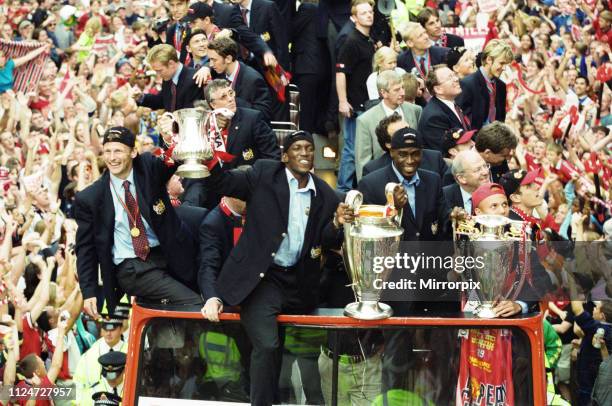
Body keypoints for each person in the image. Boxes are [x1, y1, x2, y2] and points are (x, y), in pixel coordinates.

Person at [202, 130, 341, 405]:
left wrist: (338, 223)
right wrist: (208, 159)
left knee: (303, 352)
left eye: (309, 148)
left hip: (300, 283)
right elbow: (223, 182)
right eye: (297, 148)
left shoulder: (324, 192)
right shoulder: (264, 174)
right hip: (263, 279)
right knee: (267, 345)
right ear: (284, 156)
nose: (304, 153)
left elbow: (326, 240)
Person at [74, 127, 202, 316]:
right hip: (132, 268)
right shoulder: (90, 197)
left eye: (118, 151)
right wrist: (89, 291)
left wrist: (169, 138)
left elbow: (172, 162)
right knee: (194, 305)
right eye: (107, 151)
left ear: (133, 152)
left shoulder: (148, 168)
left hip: (169, 254)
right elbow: (85, 248)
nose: (112, 157)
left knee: (204, 298)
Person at [358, 127, 449, 242]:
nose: (410, 160)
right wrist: (391, 208)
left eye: (415, 154)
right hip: (391, 257)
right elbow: (367, 232)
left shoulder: (433, 180)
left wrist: (454, 218)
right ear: (392, 153)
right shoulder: (370, 184)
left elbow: (443, 220)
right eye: (403, 155)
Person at [335, 0, 375, 192]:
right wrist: (343, 101)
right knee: (351, 149)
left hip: (367, 103)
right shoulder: (350, 40)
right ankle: (342, 190)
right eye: (363, 13)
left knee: (362, 149)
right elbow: (341, 72)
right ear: (354, 17)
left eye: (370, 12)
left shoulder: (368, 39)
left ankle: (358, 188)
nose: (369, 15)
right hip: (355, 104)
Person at [355, 70, 422, 180]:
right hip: (383, 180)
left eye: (402, 88)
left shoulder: (415, 110)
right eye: (396, 90)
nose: (402, 93)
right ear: (383, 93)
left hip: (414, 175)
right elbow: (363, 161)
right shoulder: (366, 120)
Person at [361, 112, 447, 179]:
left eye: (407, 129)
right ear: (388, 144)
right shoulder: (373, 170)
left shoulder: (434, 159)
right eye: (399, 133)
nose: (407, 134)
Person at [207, 36, 273, 120]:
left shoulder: (253, 79)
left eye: (214, 60)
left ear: (228, 59)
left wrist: (232, 100)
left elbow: (264, 114)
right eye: (210, 60)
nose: (211, 65)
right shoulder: (219, 74)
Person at [457, 39, 513, 130]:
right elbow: (461, 119)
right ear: (489, 59)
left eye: (506, 64)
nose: (504, 68)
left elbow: (501, 118)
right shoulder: (468, 83)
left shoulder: (501, 85)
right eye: (501, 63)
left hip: (495, 139)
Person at [74, 312, 129, 404]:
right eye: (105, 329)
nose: (108, 333)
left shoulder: (133, 354)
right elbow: (77, 386)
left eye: (112, 329)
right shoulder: (88, 356)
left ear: (121, 329)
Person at [134, 44, 204, 112]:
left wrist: (170, 118)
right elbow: (163, 100)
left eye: (159, 70)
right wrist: (141, 97)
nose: (158, 75)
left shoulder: (195, 79)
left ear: (171, 64)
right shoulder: (168, 76)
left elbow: (189, 114)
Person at [418, 65, 471, 152]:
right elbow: (443, 152)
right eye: (450, 78)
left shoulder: (453, 104)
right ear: (438, 89)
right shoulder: (434, 117)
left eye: (454, 75)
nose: (456, 79)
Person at [444, 149, 489, 213]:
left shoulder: (495, 192)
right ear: (461, 178)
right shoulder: (445, 197)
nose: (485, 172)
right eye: (478, 170)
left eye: (485, 166)